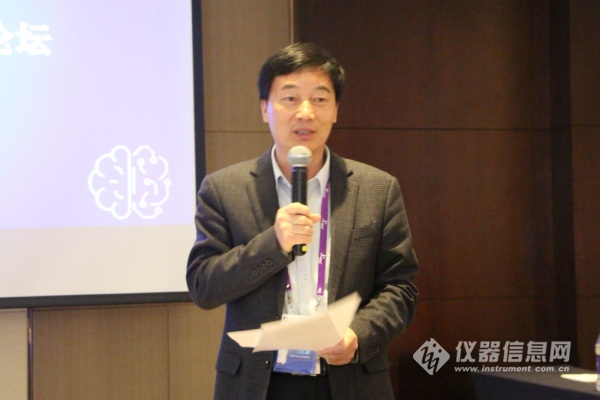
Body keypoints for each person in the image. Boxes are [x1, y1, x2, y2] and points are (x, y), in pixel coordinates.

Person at [187, 42, 419, 400]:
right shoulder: (224, 189)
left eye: (320, 99)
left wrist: (357, 334)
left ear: (336, 110)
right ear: (264, 108)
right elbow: (204, 287)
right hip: (258, 384)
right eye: (290, 98)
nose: (306, 112)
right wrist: (273, 244)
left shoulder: (377, 188)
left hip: (349, 378)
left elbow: (400, 288)